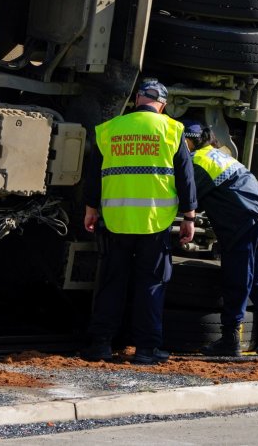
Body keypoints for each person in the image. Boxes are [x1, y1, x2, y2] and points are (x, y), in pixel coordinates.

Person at [81, 79, 197, 365]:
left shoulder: (109, 129)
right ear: (163, 105)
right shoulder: (171, 129)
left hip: (117, 220)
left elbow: (94, 174)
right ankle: (147, 349)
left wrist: (90, 209)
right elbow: (185, 177)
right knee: (151, 284)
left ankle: (100, 345)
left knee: (111, 282)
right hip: (154, 222)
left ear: (137, 100)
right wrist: (189, 216)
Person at [179, 120, 258, 357]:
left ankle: (230, 338)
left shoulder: (197, 162)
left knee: (237, 278)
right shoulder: (218, 154)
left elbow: (186, 200)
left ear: (188, 141)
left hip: (243, 222)